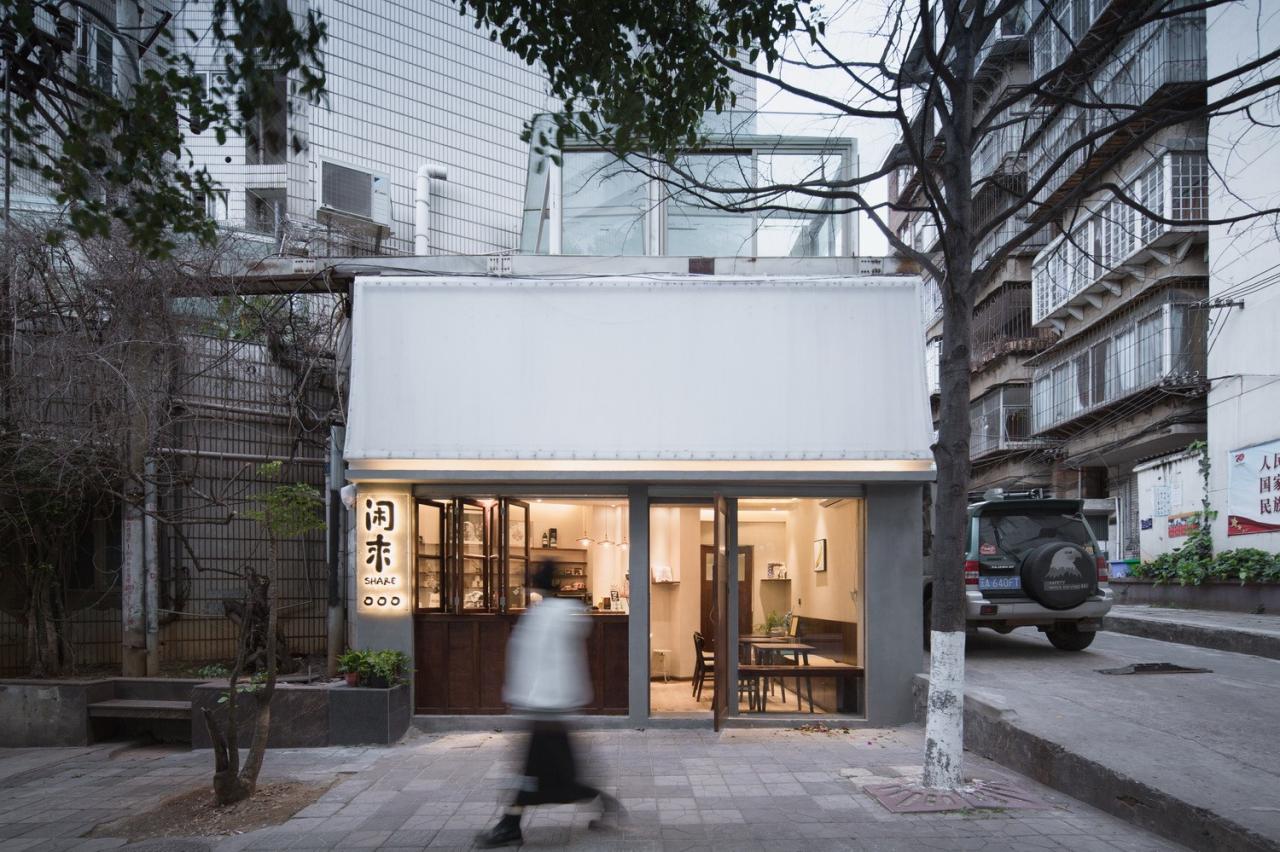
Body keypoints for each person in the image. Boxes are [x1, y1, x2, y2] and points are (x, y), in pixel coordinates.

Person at [475, 560, 621, 848]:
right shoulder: (567, 612)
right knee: (553, 773)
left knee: (537, 773)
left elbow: (526, 660)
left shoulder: (538, 616)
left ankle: (510, 825)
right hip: (554, 706)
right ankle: (603, 805)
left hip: (544, 708)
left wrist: (517, 697)